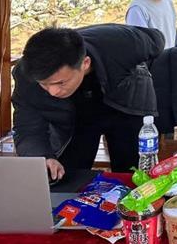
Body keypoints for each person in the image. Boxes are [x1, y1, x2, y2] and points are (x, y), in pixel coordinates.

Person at [12, 24, 165, 180]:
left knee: (133, 174)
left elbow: (157, 40)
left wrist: (129, 69)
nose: (53, 92)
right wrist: (43, 157)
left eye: (60, 83)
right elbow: (27, 127)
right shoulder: (26, 76)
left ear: (85, 63)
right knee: (65, 176)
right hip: (74, 116)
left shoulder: (120, 43)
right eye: (44, 84)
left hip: (126, 104)